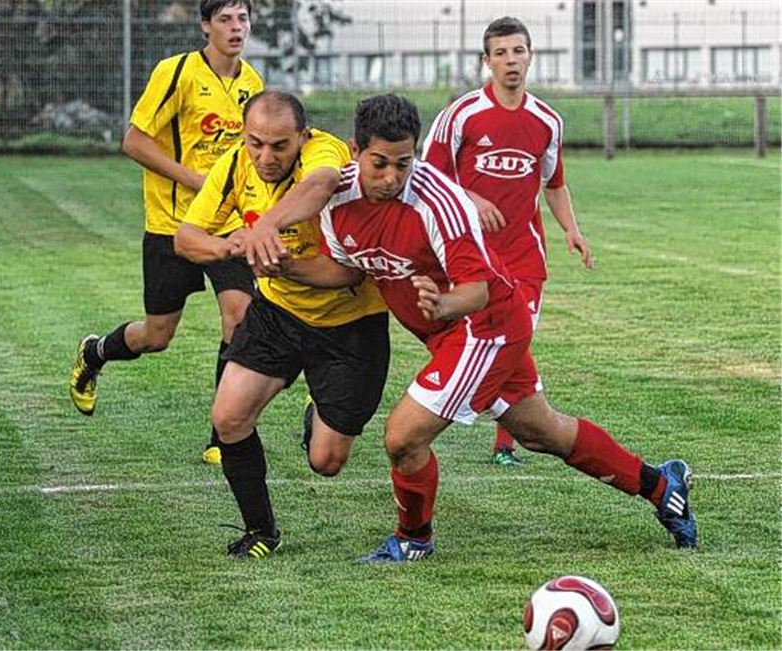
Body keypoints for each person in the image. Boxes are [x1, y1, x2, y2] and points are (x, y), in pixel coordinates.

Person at [272, 94, 696, 563]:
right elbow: (348, 271)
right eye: (379, 163)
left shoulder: (439, 202)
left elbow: (474, 291)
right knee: (542, 432)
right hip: (456, 334)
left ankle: (413, 539)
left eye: (403, 163)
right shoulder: (337, 201)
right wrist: (283, 268)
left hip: (483, 326)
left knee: (403, 436)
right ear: (355, 150)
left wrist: (442, 302)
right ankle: (661, 484)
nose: (392, 177)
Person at [174, 90, 388, 558]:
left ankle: (318, 411)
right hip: (278, 315)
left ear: (302, 138)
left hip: (351, 322)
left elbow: (345, 262)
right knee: (228, 418)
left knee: (326, 462)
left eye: (279, 146)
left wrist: (267, 234)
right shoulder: (234, 165)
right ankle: (261, 531)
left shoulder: (324, 153)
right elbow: (186, 238)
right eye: (255, 144)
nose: (265, 157)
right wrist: (231, 247)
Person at [70, 0, 262, 465]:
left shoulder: (252, 84)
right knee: (157, 336)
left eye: (242, 18)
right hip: (171, 225)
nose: (236, 28)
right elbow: (133, 141)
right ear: (204, 26)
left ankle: (222, 435)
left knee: (239, 319)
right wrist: (196, 180)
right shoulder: (176, 73)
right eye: (225, 19)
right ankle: (95, 353)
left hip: (228, 227)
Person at [422, 17, 592, 467]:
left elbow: (554, 184)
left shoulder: (547, 121)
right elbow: (427, 176)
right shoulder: (461, 115)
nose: (510, 61)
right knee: (473, 340)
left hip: (524, 258)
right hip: (471, 259)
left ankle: (504, 443)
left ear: (530, 56)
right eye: (501, 53)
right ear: (487, 61)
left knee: (515, 343)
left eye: (518, 51)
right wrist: (471, 197)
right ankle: (451, 406)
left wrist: (571, 230)